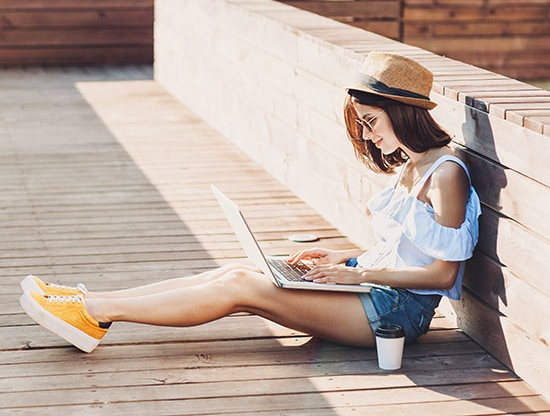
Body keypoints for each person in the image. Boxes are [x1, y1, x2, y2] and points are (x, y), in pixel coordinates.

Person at [19, 52, 481, 353]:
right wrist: (347, 257)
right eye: (361, 123)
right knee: (237, 272)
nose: (366, 133)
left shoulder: (446, 176)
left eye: (370, 120)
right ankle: (90, 303)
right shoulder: (413, 165)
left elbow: (442, 274)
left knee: (243, 288)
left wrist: (357, 274)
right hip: (374, 290)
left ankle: (94, 314)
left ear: (401, 113)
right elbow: (406, 248)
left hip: (396, 313)